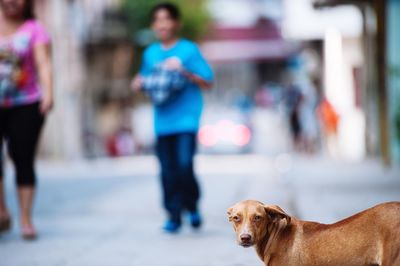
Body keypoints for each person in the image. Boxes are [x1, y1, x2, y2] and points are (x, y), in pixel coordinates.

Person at [131, 2, 213, 233]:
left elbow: (208, 81)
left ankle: (192, 206)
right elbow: (143, 79)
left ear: (176, 23)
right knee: (167, 170)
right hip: (162, 122)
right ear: (153, 25)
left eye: (167, 19)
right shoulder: (151, 53)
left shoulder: (189, 50)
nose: (162, 24)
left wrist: (183, 71)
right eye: (157, 20)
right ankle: (173, 215)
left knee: (185, 165)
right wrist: (137, 83)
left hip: (187, 119)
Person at [0, 0, 53, 240]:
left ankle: (25, 218)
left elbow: (43, 63)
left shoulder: (34, 29)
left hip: (26, 103)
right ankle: (1, 211)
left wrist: (49, 92)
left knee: (22, 158)